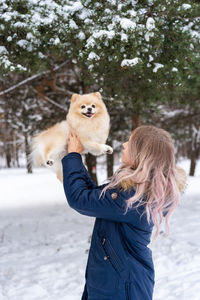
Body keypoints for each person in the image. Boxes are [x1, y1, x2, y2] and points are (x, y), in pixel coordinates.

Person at [61, 125, 186, 300]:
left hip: (121, 287)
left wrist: (73, 156)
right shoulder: (137, 190)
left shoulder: (131, 197)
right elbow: (93, 197)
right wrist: (76, 160)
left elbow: (80, 199)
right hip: (119, 281)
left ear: (141, 153)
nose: (125, 144)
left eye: (130, 142)